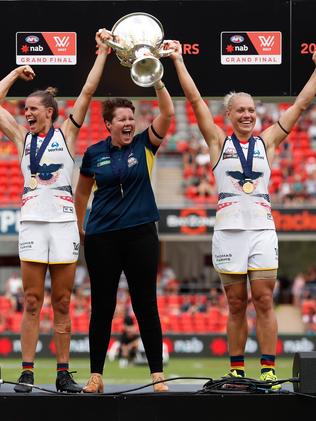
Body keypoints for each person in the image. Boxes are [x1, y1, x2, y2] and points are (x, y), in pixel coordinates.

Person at [171, 42, 316, 389]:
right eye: (240, 110)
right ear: (229, 116)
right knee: (236, 304)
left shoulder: (267, 142)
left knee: (264, 300)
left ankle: (267, 368)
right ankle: (236, 370)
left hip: (262, 230)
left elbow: (300, 104)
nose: (248, 115)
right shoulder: (219, 142)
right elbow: (194, 101)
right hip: (229, 232)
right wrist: (177, 59)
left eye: (251, 109)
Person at [0, 29, 110, 393]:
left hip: (63, 223)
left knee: (62, 301)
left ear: (48, 112)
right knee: (32, 300)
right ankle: (27, 371)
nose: (25, 113)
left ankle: (63, 372)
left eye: (31, 108)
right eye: (24, 109)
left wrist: (103, 53)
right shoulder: (22, 137)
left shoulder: (66, 133)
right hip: (32, 222)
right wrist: (15, 74)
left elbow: (88, 92)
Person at [74, 31, 175, 393]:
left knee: (146, 303)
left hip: (141, 234)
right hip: (101, 237)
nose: (129, 122)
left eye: (132, 116)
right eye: (122, 118)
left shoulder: (147, 143)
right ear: (109, 124)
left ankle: (157, 375)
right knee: (101, 307)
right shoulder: (92, 154)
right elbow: (81, 194)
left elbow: (168, 112)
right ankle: (96, 375)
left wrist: (156, 77)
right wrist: (79, 228)